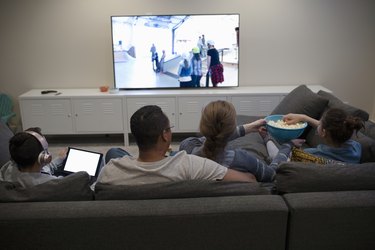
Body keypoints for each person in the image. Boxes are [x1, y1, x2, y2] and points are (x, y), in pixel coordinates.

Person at [96, 105, 256, 186]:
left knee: (113, 152)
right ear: (165, 135)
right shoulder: (192, 164)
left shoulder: (110, 171)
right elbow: (249, 181)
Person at [179, 100, 302, 182]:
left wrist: (246, 128)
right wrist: (287, 146)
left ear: (202, 125)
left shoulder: (189, 150)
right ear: (232, 126)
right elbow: (271, 174)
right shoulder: (240, 158)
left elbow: (213, 138)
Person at [280, 108, 364, 163]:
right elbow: (331, 127)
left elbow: (281, 160)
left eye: (320, 123)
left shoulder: (311, 155)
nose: (318, 123)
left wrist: (288, 144)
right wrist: (304, 118)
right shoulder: (356, 147)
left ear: (323, 132)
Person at [0, 127, 67, 188]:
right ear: (43, 157)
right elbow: (66, 182)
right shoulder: (48, 183)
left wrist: (59, 159)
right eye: (46, 151)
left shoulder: (10, 168)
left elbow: (41, 169)